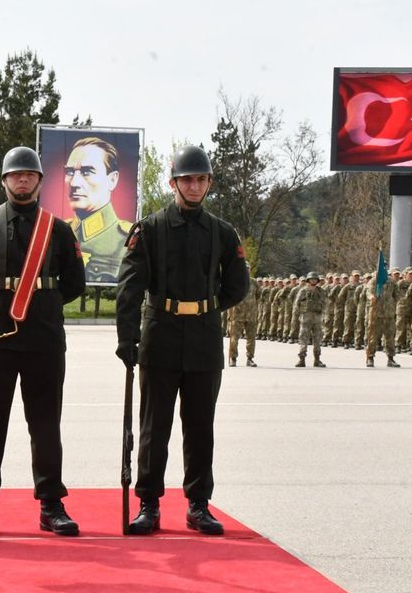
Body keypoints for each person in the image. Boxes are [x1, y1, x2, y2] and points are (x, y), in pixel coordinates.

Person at [115, 145, 248, 536]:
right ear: (173, 183)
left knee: (200, 426)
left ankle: (198, 505)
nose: (194, 186)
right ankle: (149, 504)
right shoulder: (151, 229)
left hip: (204, 337)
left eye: (200, 179)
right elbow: (129, 287)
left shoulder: (223, 233)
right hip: (161, 333)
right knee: (154, 427)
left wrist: (208, 306)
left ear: (209, 183)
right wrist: (127, 337)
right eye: (187, 180)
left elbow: (238, 285)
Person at [0, 146, 86, 538]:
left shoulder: (59, 229)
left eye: (29, 174)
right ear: (4, 180)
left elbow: (75, 283)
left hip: (43, 339)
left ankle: (51, 504)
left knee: (46, 424)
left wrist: (42, 304)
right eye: (15, 174)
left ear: (39, 181)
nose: (22, 180)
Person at [62, 137, 133, 283]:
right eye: (70, 172)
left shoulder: (128, 239)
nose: (74, 183)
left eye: (87, 172)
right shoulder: (59, 232)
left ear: (112, 180)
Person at [293, 272, 327, 368]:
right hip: (306, 317)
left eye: (315, 279)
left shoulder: (321, 291)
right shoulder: (303, 291)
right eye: (312, 279)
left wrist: (324, 314)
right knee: (303, 338)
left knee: (317, 338)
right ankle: (302, 359)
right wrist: (297, 316)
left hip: (317, 317)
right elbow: (296, 303)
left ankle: (317, 359)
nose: (313, 280)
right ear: (308, 280)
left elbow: (325, 303)